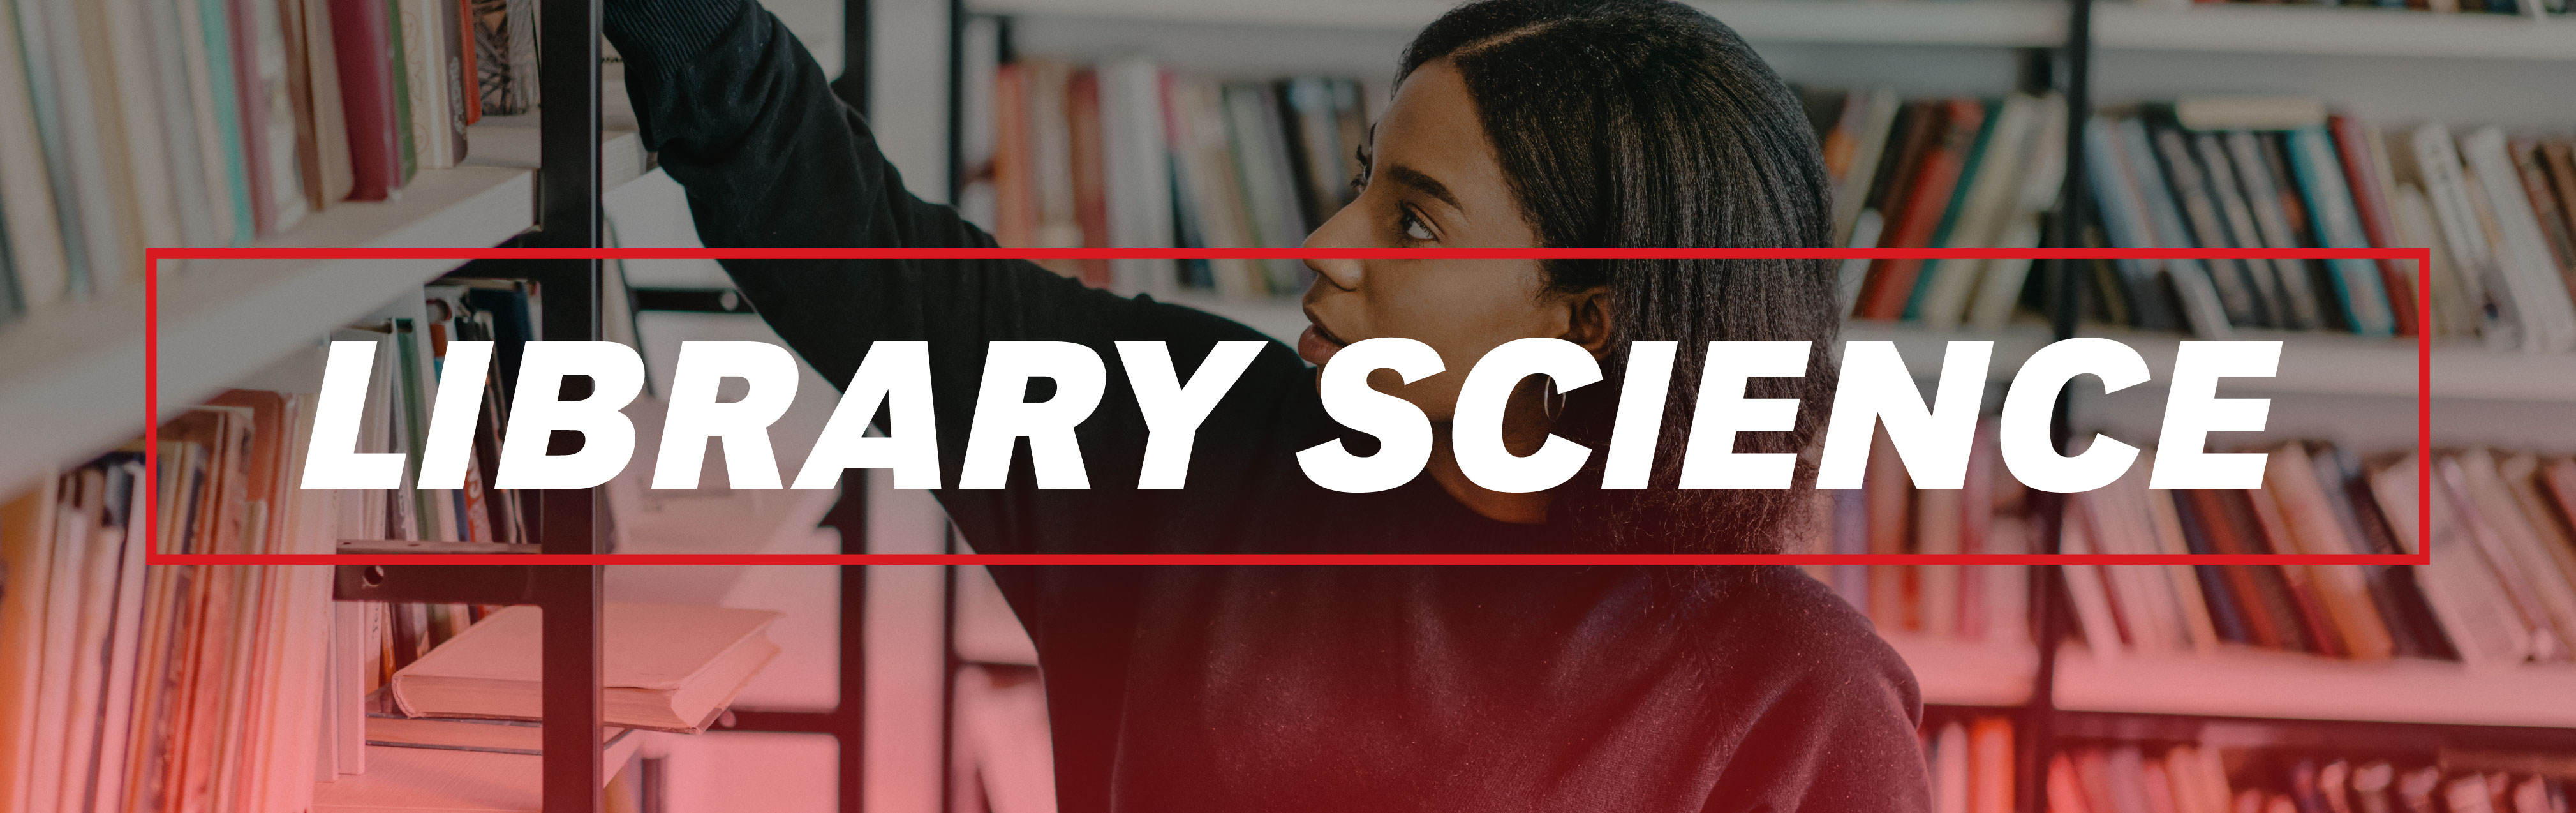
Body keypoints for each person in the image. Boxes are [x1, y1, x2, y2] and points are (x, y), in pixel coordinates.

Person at [605, 0, 1928, 809]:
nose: (1327, 236)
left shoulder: (1797, 692)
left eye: (1412, 217)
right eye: (1365, 175)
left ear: (1587, 321)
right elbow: (845, 235)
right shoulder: (1180, 445)